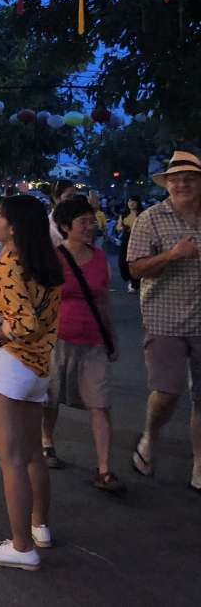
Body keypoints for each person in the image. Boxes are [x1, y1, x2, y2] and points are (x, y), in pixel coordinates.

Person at [0, 195, 63, 571]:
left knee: (11, 463)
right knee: (33, 456)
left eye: (0, 215)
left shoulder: (10, 261)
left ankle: (21, 546)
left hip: (10, 367)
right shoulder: (46, 260)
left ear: (14, 225)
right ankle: (39, 527)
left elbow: (19, 326)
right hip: (39, 367)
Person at [127, 150, 201, 492]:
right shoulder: (151, 219)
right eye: (175, 179)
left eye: (189, 178)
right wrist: (173, 255)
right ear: (167, 184)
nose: (182, 184)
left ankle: (200, 464)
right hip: (165, 318)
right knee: (167, 392)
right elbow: (135, 268)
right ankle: (149, 437)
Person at [42, 198, 123, 492]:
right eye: (84, 222)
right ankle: (47, 441)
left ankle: (104, 469)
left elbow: (103, 299)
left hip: (93, 341)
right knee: (51, 397)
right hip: (58, 340)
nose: (91, 227)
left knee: (100, 403)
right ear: (65, 226)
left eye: (92, 221)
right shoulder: (53, 258)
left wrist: (111, 336)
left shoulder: (99, 258)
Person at [118, 196, 142, 293]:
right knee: (122, 261)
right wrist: (123, 228)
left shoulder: (142, 214)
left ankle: (135, 283)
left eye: (133, 202)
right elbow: (118, 227)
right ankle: (129, 279)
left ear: (138, 203)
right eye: (129, 201)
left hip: (138, 239)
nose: (131, 203)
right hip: (126, 238)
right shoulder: (124, 214)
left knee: (135, 261)